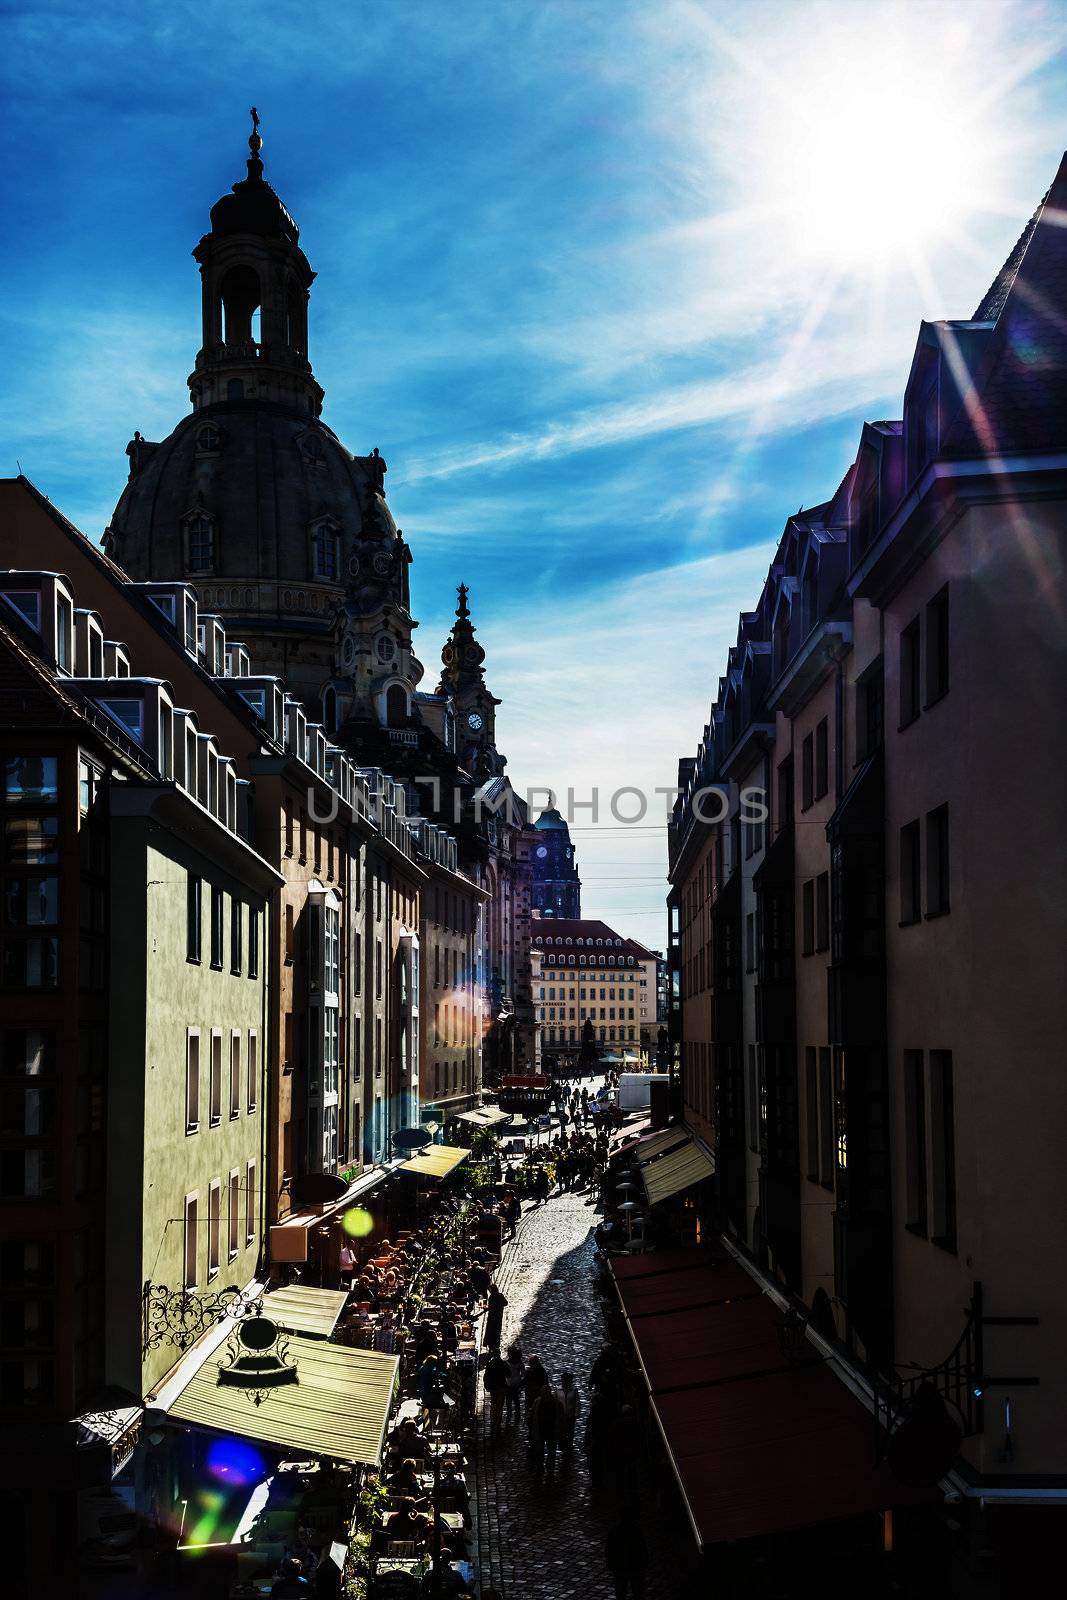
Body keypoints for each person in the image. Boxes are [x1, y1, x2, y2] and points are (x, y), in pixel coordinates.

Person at [604, 1516, 648, 1599]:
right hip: (635, 1566)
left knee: (621, 1591)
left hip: (620, 1566)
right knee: (637, 1591)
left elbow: (608, 1550)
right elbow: (643, 1549)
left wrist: (610, 1562)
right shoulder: (636, 1531)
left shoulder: (614, 1531)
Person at [529, 1377, 563, 1480]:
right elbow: (531, 1413)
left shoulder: (557, 1404)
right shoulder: (537, 1401)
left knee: (551, 1453)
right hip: (540, 1430)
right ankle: (540, 1469)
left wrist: (561, 1430)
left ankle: (550, 1470)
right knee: (539, 1452)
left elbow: (561, 1418)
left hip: (552, 1431)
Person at [483, 1350, 510, 1438]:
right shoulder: (503, 1364)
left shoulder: (490, 1364)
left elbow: (486, 1376)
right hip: (501, 1387)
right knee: (500, 1406)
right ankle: (497, 1422)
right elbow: (509, 1374)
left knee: (494, 1404)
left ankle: (493, 1421)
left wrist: (487, 1385)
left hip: (493, 1388)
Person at [559, 1370, 581, 1454]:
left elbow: (577, 1403)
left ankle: (569, 1445)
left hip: (570, 1415)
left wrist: (576, 1414)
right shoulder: (558, 1390)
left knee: (570, 1431)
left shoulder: (574, 1390)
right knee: (562, 1432)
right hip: (561, 1416)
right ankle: (564, 1446)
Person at [484, 1282, 507, 1353]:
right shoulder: (500, 1295)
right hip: (499, 1316)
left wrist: (486, 1307)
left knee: (490, 1331)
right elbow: (505, 1303)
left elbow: (490, 1307)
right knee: (497, 1331)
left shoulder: (491, 1297)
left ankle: (490, 1345)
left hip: (492, 1317)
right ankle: (496, 1345)